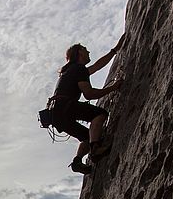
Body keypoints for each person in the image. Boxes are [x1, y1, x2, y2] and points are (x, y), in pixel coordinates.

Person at [50, 35, 125, 175]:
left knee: (87, 136)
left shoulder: (71, 70)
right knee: (99, 114)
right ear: (79, 53)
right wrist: (113, 87)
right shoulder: (78, 69)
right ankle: (95, 149)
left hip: (56, 114)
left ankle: (77, 161)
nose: (89, 51)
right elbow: (89, 94)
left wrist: (115, 50)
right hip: (66, 107)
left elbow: (97, 67)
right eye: (85, 49)